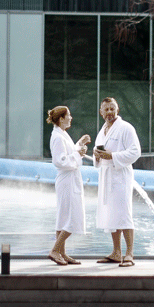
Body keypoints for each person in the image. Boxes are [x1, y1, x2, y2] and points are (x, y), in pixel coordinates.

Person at [93, 97, 141, 267]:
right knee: (111, 214)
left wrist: (112, 156)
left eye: (112, 108)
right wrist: (97, 155)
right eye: (106, 109)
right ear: (101, 112)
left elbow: (136, 152)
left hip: (120, 176)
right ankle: (116, 252)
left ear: (117, 109)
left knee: (124, 213)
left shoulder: (126, 128)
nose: (109, 112)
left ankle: (129, 254)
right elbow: (100, 151)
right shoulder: (103, 129)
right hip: (107, 177)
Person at [46, 105, 90, 266]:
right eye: (69, 115)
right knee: (72, 217)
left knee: (63, 217)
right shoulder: (57, 137)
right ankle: (55, 250)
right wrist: (78, 154)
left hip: (69, 179)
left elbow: (69, 154)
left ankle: (62, 254)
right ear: (61, 118)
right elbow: (60, 160)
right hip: (67, 180)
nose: (71, 117)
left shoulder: (62, 134)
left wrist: (79, 145)